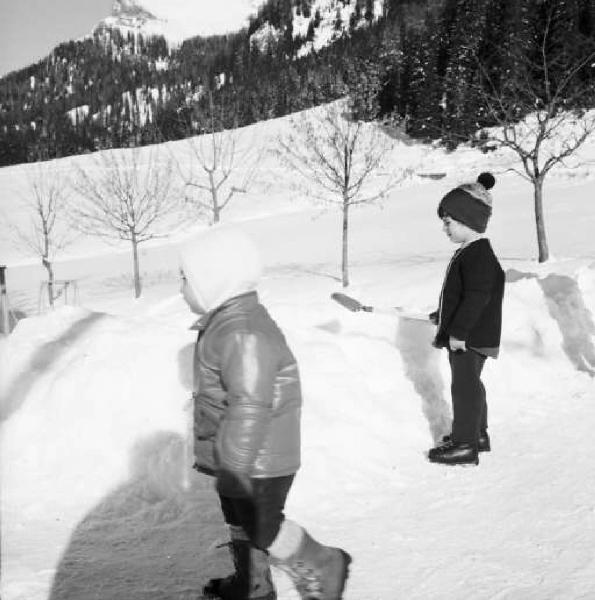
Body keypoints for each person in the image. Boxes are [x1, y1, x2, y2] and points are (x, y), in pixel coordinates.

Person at [179, 227, 351, 600]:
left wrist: (236, 466)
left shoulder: (241, 332)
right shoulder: (228, 323)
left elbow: (250, 404)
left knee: (262, 524)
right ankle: (252, 585)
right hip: (242, 455)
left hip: (259, 459)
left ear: (214, 281)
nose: (181, 288)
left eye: (186, 279)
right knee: (240, 520)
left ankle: (325, 563)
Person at [427, 172, 505, 466]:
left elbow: (477, 298)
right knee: (471, 383)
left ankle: (465, 445)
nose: (444, 228)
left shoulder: (477, 255)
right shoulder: (472, 252)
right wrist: (444, 316)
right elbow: (464, 297)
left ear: (467, 219)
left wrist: (457, 331)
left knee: (464, 388)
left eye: (448, 222)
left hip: (470, 337)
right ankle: (478, 435)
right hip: (471, 333)